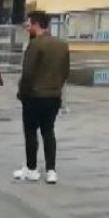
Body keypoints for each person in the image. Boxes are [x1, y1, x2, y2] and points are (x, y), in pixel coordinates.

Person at [13, 11, 70, 185]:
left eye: (29, 24)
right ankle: (51, 171)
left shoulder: (35, 45)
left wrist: (21, 93)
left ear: (37, 25)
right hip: (53, 96)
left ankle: (31, 170)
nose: (27, 27)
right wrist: (56, 88)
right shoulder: (62, 45)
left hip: (34, 96)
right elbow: (65, 71)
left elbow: (28, 73)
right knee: (48, 131)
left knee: (30, 132)